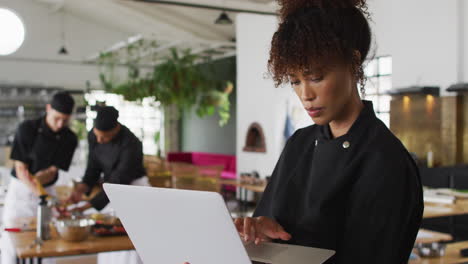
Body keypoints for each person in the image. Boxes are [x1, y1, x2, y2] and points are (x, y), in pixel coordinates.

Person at [234, 0, 424, 263]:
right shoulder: (299, 144)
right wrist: (264, 235)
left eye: (316, 77)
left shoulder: (385, 161)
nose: (305, 95)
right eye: (295, 81)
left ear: (353, 62)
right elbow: (278, 230)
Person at [1, 91, 78, 264]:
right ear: (48, 108)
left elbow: (51, 172)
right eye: (57, 118)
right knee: (12, 242)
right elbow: (21, 170)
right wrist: (42, 194)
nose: (60, 124)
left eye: (65, 120)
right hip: (20, 192)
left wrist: (43, 192)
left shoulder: (69, 138)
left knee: (45, 241)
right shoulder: (28, 128)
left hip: (45, 189)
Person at [68, 106, 147, 264]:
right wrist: (81, 189)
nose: (98, 141)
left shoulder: (132, 144)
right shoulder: (94, 135)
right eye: (96, 136)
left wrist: (86, 206)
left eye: (103, 138)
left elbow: (119, 181)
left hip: (135, 188)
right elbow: (93, 167)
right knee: (108, 235)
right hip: (110, 185)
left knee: (130, 240)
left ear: (115, 129)